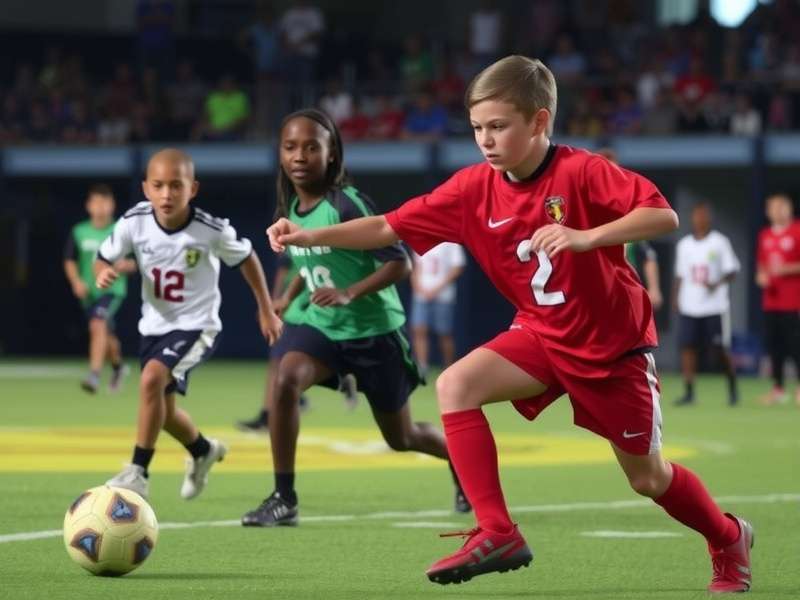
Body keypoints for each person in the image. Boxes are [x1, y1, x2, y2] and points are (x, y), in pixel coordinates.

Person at [267, 56, 754, 594]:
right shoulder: (473, 188)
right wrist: (308, 236)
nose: (485, 139)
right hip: (541, 334)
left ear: (539, 122)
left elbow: (663, 216)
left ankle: (728, 536)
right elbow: (386, 225)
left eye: (498, 126)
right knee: (456, 384)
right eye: (477, 127)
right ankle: (497, 531)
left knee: (648, 479)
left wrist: (586, 236)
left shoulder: (583, 171)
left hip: (612, 350)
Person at [241, 109, 470, 527]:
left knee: (402, 438)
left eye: (312, 146)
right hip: (324, 328)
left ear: (331, 154)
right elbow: (303, 259)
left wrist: (349, 292)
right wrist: (284, 298)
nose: (300, 155)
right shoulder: (290, 205)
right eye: (290, 146)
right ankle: (283, 497)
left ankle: (462, 467)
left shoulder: (347, 203)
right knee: (286, 378)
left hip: (374, 332)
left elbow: (399, 263)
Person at [95, 148, 282, 500]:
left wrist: (265, 309)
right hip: (153, 328)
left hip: (198, 326)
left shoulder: (209, 229)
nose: (167, 194)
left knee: (151, 378)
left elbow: (248, 259)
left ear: (192, 189)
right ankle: (202, 450)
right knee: (162, 412)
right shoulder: (133, 222)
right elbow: (102, 258)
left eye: (176, 186)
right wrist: (103, 272)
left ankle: (137, 472)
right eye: (159, 186)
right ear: (146, 188)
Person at [235, 253, 357, 432]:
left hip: (309, 303)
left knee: (287, 360)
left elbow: (288, 272)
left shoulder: (308, 233)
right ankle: (275, 411)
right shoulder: (293, 237)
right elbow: (290, 272)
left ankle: (336, 379)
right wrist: (275, 303)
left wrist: (274, 303)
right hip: (298, 303)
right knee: (281, 360)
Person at [64, 184, 136, 393]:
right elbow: (69, 260)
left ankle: (94, 375)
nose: (101, 207)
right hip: (88, 293)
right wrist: (76, 281)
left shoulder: (120, 231)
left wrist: (127, 266)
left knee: (97, 325)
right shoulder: (79, 231)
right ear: (89, 206)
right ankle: (118, 366)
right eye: (96, 202)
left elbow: (137, 262)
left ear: (112, 205)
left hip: (111, 290)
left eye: (105, 202)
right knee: (106, 335)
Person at [672, 202, 740, 406]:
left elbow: (732, 270)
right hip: (689, 304)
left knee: (718, 350)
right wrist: (676, 298)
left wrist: (716, 283)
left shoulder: (720, 242)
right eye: (697, 215)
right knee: (687, 348)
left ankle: (732, 386)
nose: (700, 219)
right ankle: (689, 392)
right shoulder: (684, 244)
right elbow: (680, 275)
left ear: (709, 218)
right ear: (692, 218)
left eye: (704, 215)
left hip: (714, 306)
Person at [596, 148, 663, 309]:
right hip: (593, 291)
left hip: (624, 291)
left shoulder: (627, 213)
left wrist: (654, 289)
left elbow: (648, 255)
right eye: (604, 173)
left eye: (614, 172)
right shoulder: (582, 210)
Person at [756, 193, 800, 406]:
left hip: (793, 301)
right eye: (773, 207)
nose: (778, 211)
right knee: (775, 346)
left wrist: (788, 268)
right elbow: (761, 266)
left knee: (795, 345)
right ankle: (778, 389)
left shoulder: (797, 231)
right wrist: (762, 277)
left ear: (789, 208)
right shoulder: (765, 235)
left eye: (782, 206)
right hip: (771, 301)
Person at [411, 243, 466, 376]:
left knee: (444, 333)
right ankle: (422, 367)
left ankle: (448, 367)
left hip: (443, 296)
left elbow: (458, 267)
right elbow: (416, 266)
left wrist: (438, 287)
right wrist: (418, 286)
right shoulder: (421, 238)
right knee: (419, 329)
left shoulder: (451, 243)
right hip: (421, 295)